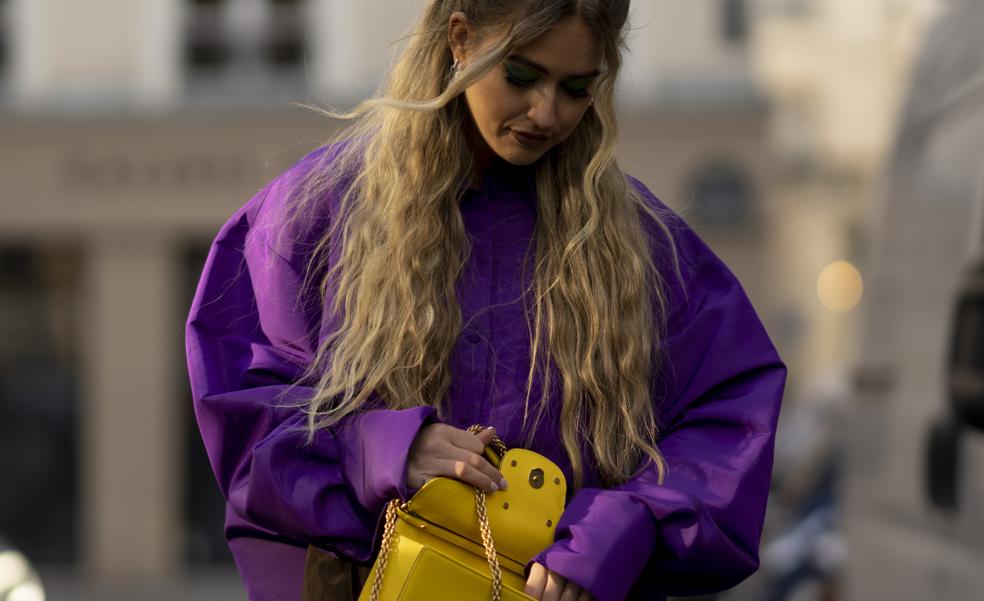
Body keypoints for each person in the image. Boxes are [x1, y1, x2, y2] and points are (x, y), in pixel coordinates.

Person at [185, 1, 787, 601]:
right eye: (522, 76)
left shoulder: (645, 247)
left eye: (578, 88)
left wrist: (628, 524)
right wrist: (377, 450)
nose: (547, 113)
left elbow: (727, 421)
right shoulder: (316, 215)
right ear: (461, 39)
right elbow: (246, 414)